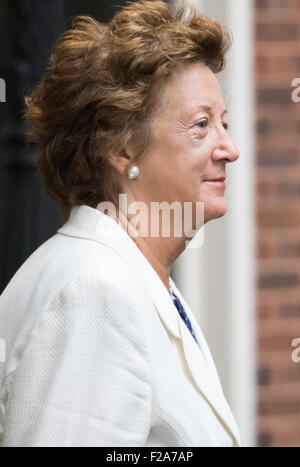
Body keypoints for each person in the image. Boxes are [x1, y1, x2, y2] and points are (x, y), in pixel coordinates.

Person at [0, 0, 241, 447]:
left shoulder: (136, 281)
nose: (229, 148)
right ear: (123, 150)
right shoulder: (95, 292)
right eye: (202, 125)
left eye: (224, 123)